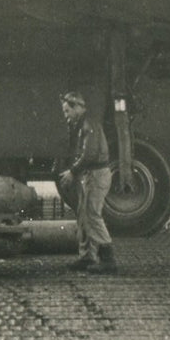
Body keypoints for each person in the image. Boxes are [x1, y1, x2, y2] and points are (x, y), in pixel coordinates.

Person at [59, 91, 116, 274]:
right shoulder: (82, 124)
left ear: (77, 108)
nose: (65, 115)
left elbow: (89, 154)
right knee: (84, 216)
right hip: (90, 174)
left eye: (67, 111)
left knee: (92, 214)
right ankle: (87, 257)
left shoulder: (87, 125)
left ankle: (108, 258)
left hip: (96, 174)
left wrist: (72, 172)